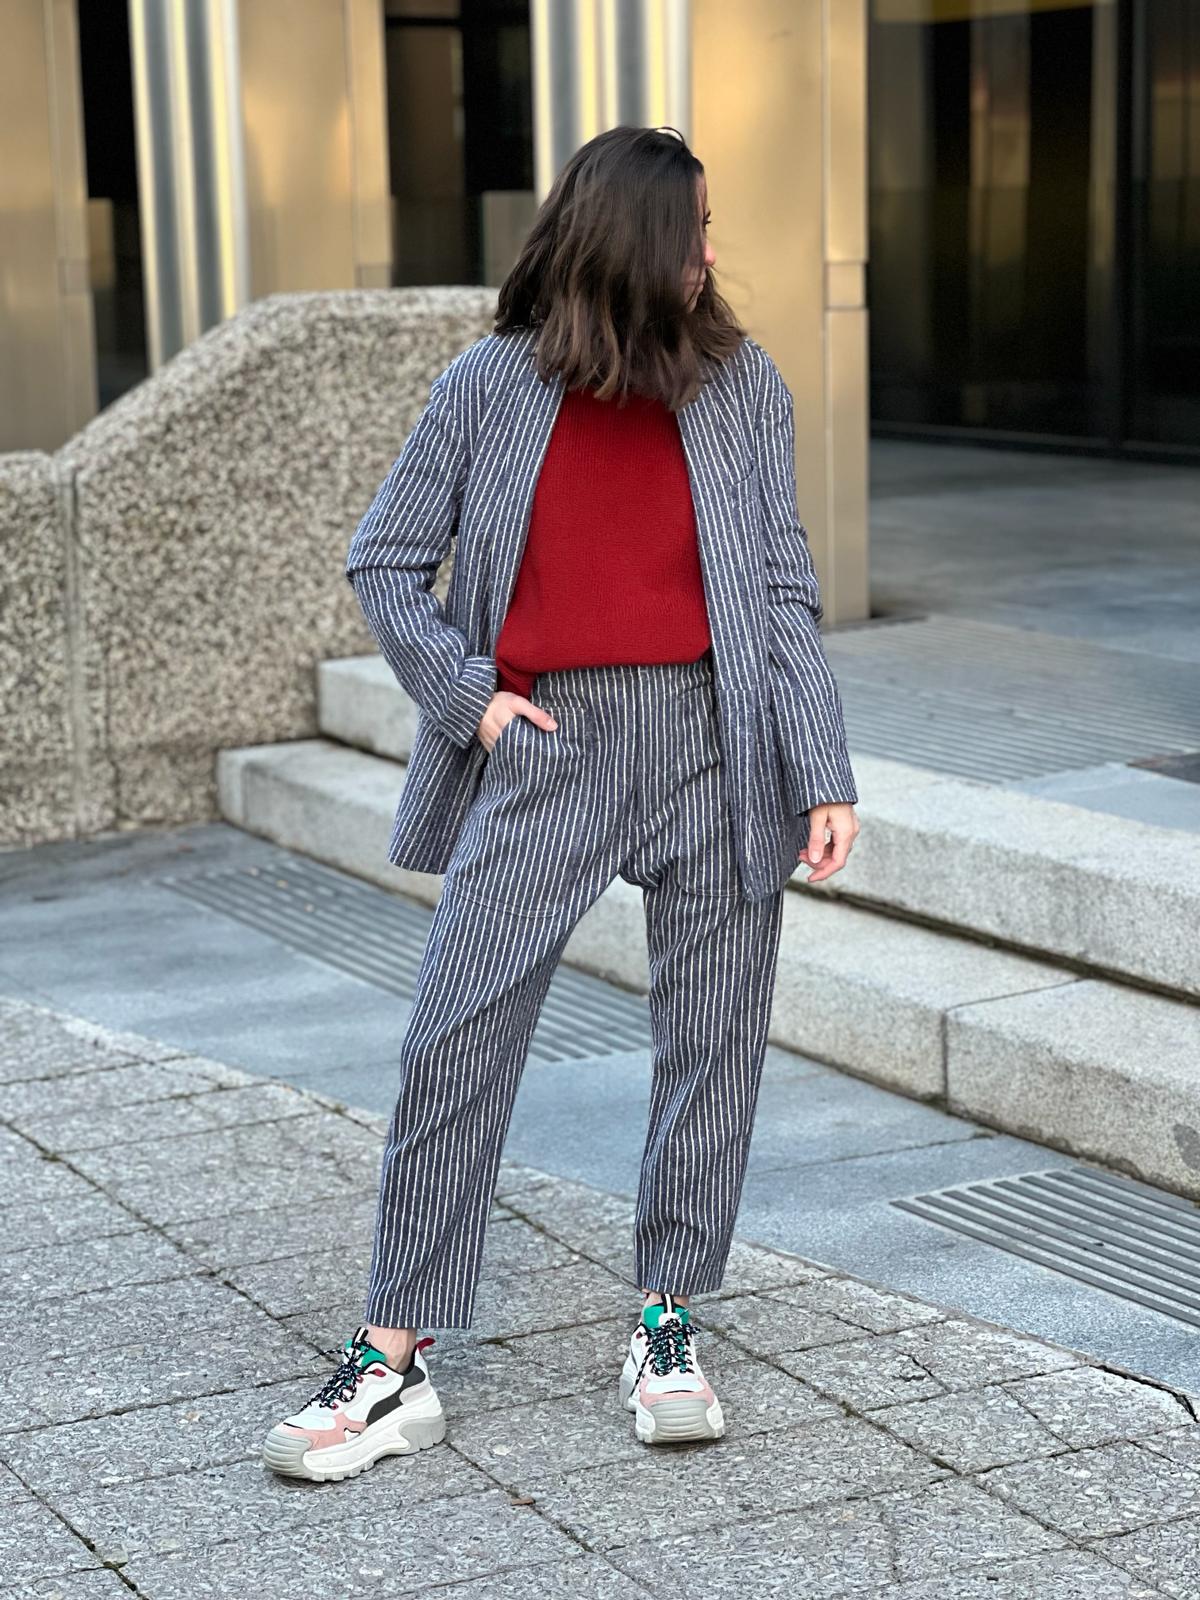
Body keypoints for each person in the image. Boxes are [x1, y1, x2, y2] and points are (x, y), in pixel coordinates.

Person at [263, 124, 859, 1482]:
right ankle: (392, 1361)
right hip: (549, 744)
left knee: (714, 1045)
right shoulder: (489, 387)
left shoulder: (741, 386)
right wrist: (469, 700)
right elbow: (386, 557)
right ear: (633, 242)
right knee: (453, 1042)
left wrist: (819, 769)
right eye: (695, 227)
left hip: (718, 743)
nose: (714, 251)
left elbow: (777, 587)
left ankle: (666, 1321)